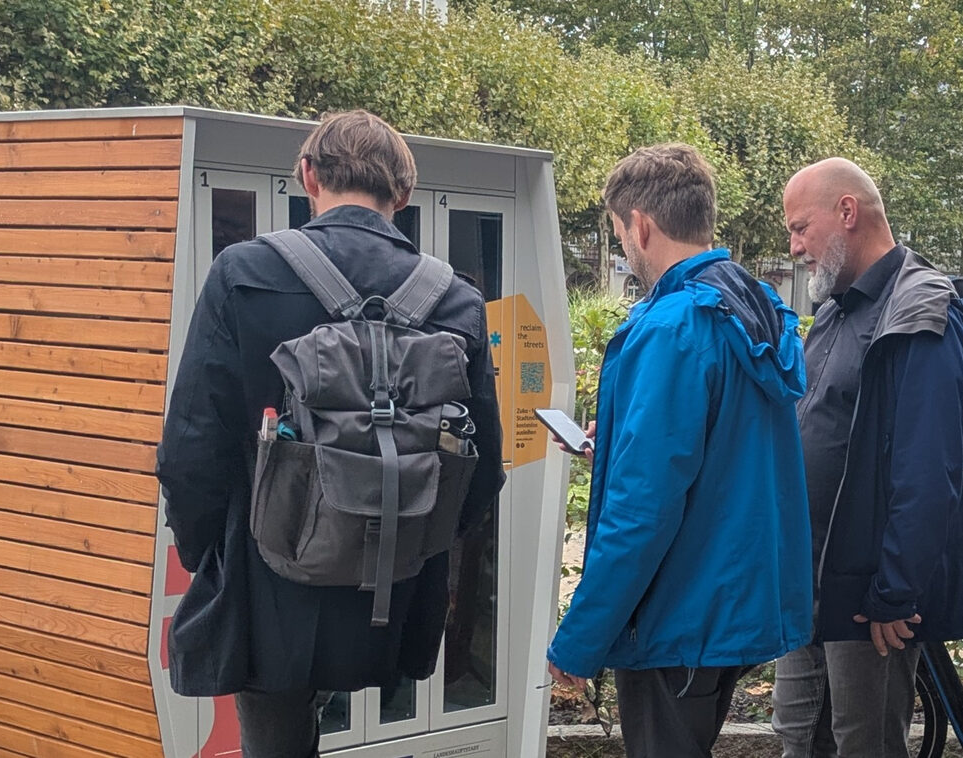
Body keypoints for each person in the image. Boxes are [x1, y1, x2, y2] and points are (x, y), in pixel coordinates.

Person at [155, 110, 505, 757]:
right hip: (393, 593)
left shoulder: (242, 273)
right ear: (402, 195)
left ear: (307, 176)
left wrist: (215, 552)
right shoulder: (455, 300)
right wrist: (410, 548)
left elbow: (190, 451)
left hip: (267, 579)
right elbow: (482, 470)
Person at [546, 143, 813, 758]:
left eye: (619, 235)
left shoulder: (672, 328)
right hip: (734, 605)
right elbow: (725, 454)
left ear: (640, 224)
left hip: (678, 616)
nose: (624, 250)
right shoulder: (758, 310)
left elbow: (642, 510)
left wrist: (581, 639)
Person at [772, 157, 963, 757]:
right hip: (808, 578)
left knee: (865, 743)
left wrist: (894, 592)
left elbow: (930, 469)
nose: (797, 247)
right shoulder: (832, 312)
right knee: (796, 737)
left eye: (801, 228)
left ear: (847, 213)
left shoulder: (921, 311)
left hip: (867, 597)